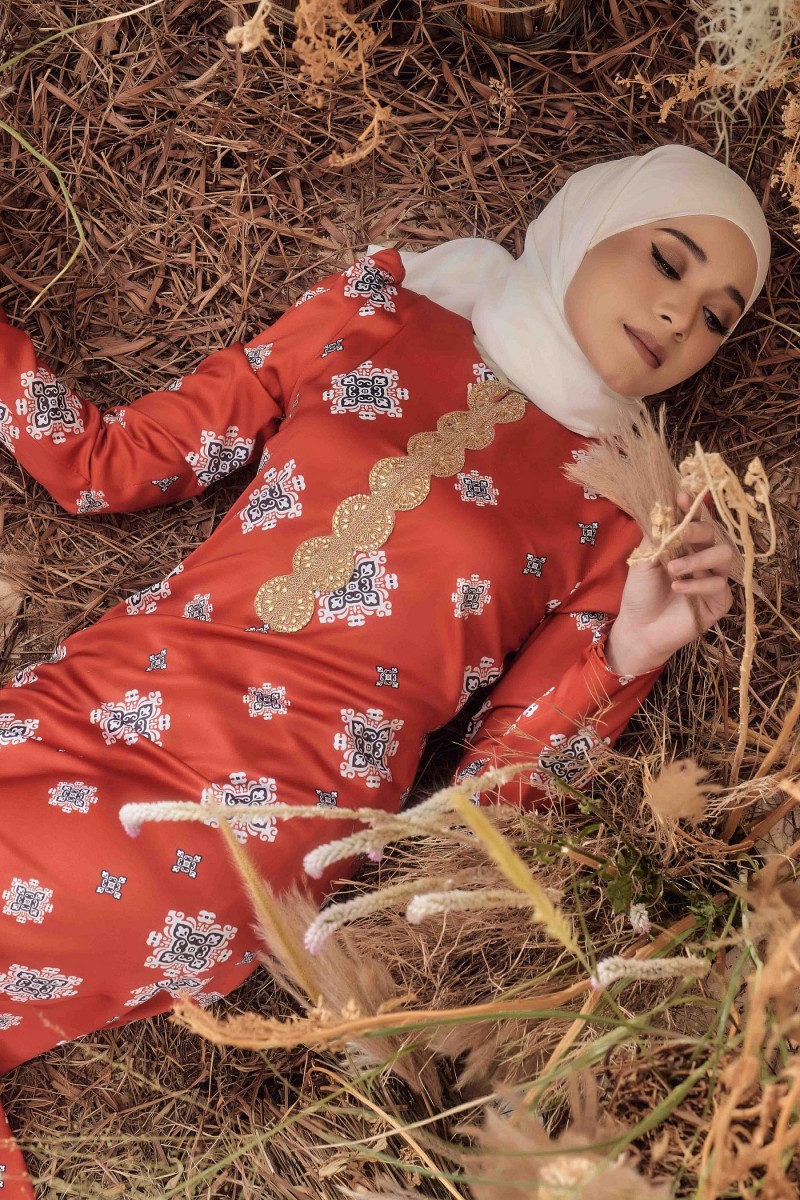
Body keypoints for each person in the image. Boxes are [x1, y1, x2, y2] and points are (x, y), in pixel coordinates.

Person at [0, 142, 770, 1196]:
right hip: (87, 700)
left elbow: (497, 796)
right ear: (586, 223)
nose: (681, 317)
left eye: (718, 318)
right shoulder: (385, 311)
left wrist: (626, 654)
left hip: (246, 818)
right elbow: (113, 466)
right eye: (667, 261)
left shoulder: (628, 516)